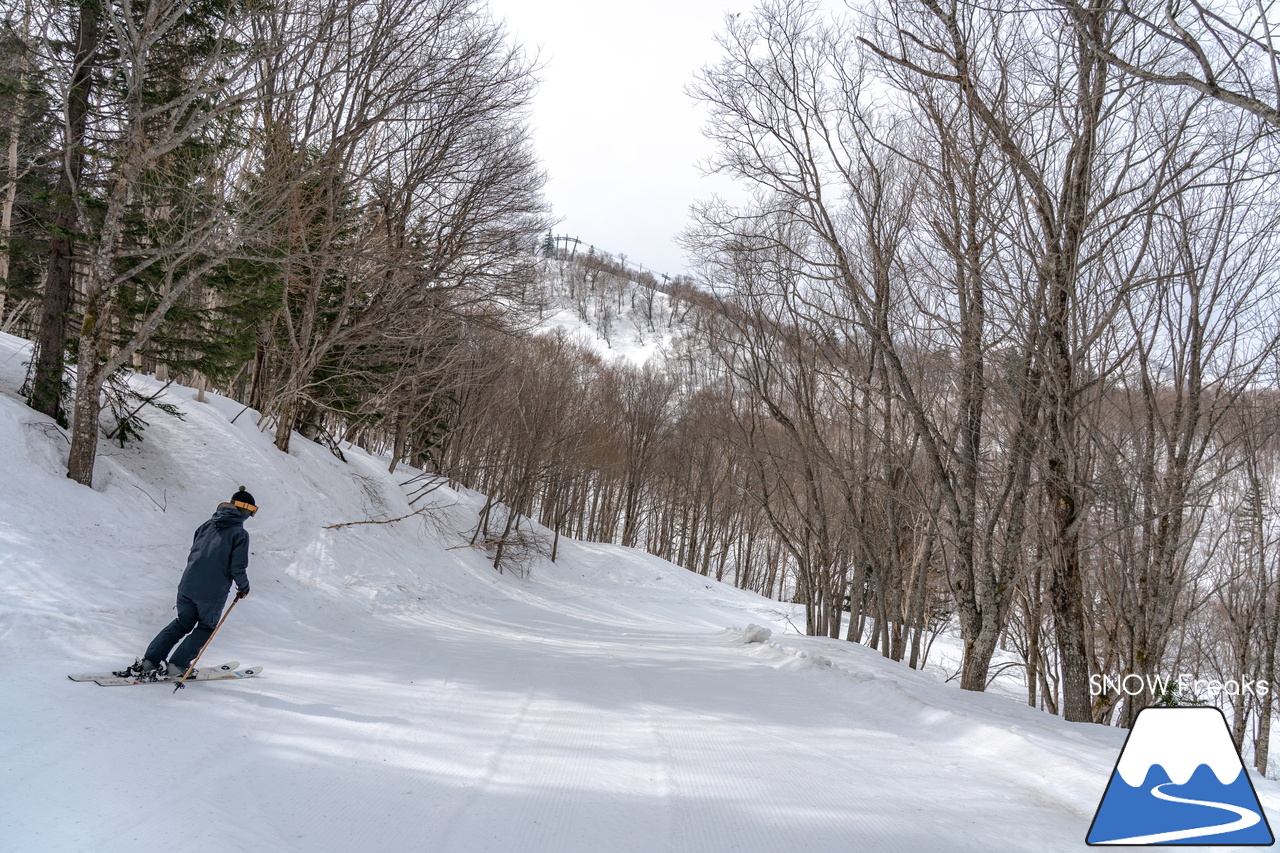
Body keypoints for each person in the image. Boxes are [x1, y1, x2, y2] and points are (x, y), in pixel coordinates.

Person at [118, 487, 256, 679]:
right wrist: (244, 587)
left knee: (183, 622)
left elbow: (196, 551)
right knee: (206, 627)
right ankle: (177, 665)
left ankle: (150, 661)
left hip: (187, 585)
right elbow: (237, 566)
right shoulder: (239, 534)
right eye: (251, 512)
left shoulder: (207, 525)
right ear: (245, 511)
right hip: (211, 592)